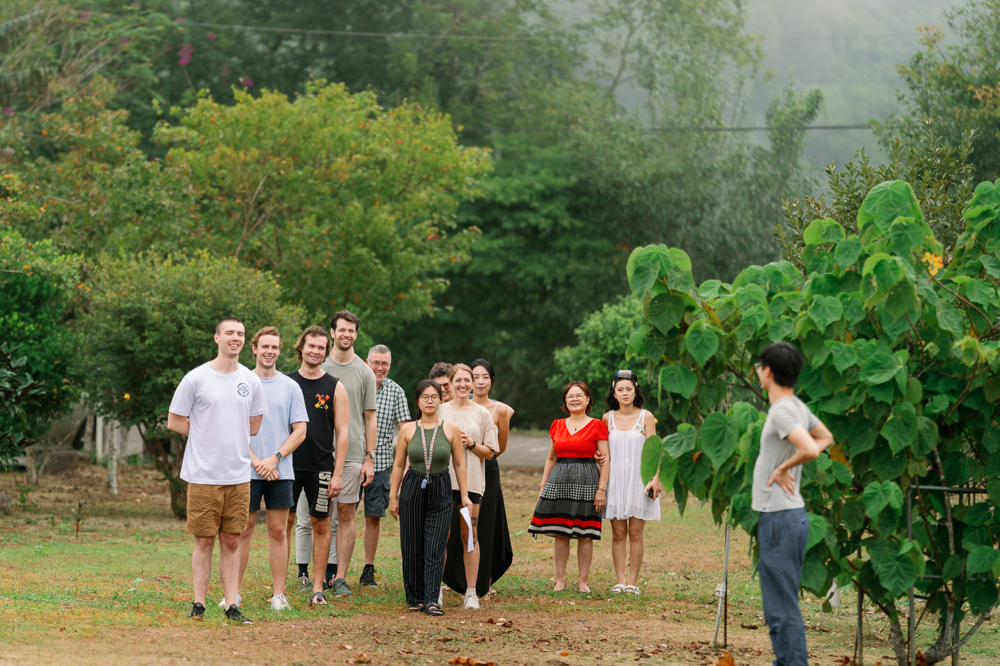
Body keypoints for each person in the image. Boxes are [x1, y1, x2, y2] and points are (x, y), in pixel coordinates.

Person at [167, 317, 267, 624]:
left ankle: (231, 606)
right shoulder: (196, 378)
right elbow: (175, 420)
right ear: (217, 338)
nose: (235, 338)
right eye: (229, 333)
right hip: (203, 474)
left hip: (238, 475)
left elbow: (254, 425)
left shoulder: (250, 380)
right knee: (204, 539)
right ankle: (198, 604)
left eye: (240, 333)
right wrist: (204, 433)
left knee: (232, 540)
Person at [752, 342, 833, 666]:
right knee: (782, 606)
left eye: (759, 366)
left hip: (780, 519)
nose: (758, 371)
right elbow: (825, 437)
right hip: (788, 517)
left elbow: (811, 449)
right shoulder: (797, 406)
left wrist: (784, 467)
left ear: (768, 371)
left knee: (781, 609)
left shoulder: (782, 410)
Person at [230, 327, 308, 612]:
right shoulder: (240, 382)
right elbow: (233, 428)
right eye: (265, 346)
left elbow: (300, 430)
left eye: (274, 347)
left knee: (278, 530)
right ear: (254, 348)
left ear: (279, 350)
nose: (270, 351)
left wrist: (274, 459)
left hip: (280, 471)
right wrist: (257, 462)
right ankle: (233, 594)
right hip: (245, 470)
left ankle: (278, 595)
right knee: (242, 530)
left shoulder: (290, 386)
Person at [388, 380, 473, 616]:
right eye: (424, 397)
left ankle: (432, 599)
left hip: (441, 487)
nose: (429, 401)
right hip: (413, 486)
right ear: (417, 401)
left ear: (440, 400)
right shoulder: (407, 430)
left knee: (435, 546)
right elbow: (398, 465)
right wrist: (393, 496)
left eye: (434, 397)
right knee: (412, 545)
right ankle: (415, 598)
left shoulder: (450, 429)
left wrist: (465, 496)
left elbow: (459, 464)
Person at [287, 326, 349, 606]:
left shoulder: (335, 386)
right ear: (301, 347)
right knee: (282, 525)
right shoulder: (286, 382)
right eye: (311, 345)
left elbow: (343, 433)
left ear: (326, 352)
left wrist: (338, 474)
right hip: (288, 467)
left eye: (321, 347)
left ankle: (317, 588)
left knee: (321, 526)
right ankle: (280, 589)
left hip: (322, 468)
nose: (315, 351)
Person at [528, 381, 609, 593]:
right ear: (565, 401)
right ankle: (560, 580)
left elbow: (606, 459)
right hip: (559, 480)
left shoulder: (597, 425)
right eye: (570, 396)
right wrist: (543, 485)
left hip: (587, 480)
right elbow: (551, 458)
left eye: (579, 395)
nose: (575, 399)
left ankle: (583, 582)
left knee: (585, 533)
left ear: (588, 399)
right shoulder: (557, 424)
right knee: (561, 532)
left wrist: (601, 489)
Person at [319, 310, 378, 597]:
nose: (346, 334)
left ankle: (340, 577)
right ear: (332, 332)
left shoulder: (365, 372)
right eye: (341, 329)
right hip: (320, 453)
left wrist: (369, 457)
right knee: (320, 516)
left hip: (354, 453)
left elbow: (370, 418)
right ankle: (318, 578)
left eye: (351, 330)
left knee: (346, 514)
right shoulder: (319, 365)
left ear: (356, 334)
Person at [439, 364, 500, 609]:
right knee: (441, 536)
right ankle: (435, 589)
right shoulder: (440, 410)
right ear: (451, 383)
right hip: (443, 482)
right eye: (459, 380)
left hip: (472, 484)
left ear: (473, 383)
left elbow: (490, 453)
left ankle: (472, 592)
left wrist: (472, 443)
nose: (463, 384)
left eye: (468, 380)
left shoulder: (481, 413)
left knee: (470, 535)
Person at [602, 370, 660, 595]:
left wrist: (656, 478)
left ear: (636, 392)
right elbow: (603, 450)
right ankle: (620, 581)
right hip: (615, 481)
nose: (625, 393)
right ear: (614, 393)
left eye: (629, 389)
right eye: (620, 390)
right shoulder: (607, 418)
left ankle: (633, 583)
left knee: (635, 533)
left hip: (639, 480)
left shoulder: (646, 417)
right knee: (618, 534)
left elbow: (654, 450)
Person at [359, 343, 411, 587]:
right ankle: (333, 569)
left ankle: (368, 568)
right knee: (341, 515)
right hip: (351, 460)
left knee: (373, 516)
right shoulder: (356, 385)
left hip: (380, 464)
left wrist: (407, 464)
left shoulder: (396, 391)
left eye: (385, 364)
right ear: (367, 362)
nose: (380, 368)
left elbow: (406, 431)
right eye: (376, 363)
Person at [469, 359, 514, 598]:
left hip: (488, 469)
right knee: (463, 523)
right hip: (463, 469)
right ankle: (461, 579)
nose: (480, 381)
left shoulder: (501, 410)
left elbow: (501, 447)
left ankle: (484, 583)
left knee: (486, 525)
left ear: (492, 380)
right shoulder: (458, 406)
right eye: (475, 376)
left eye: (485, 377)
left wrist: (481, 453)